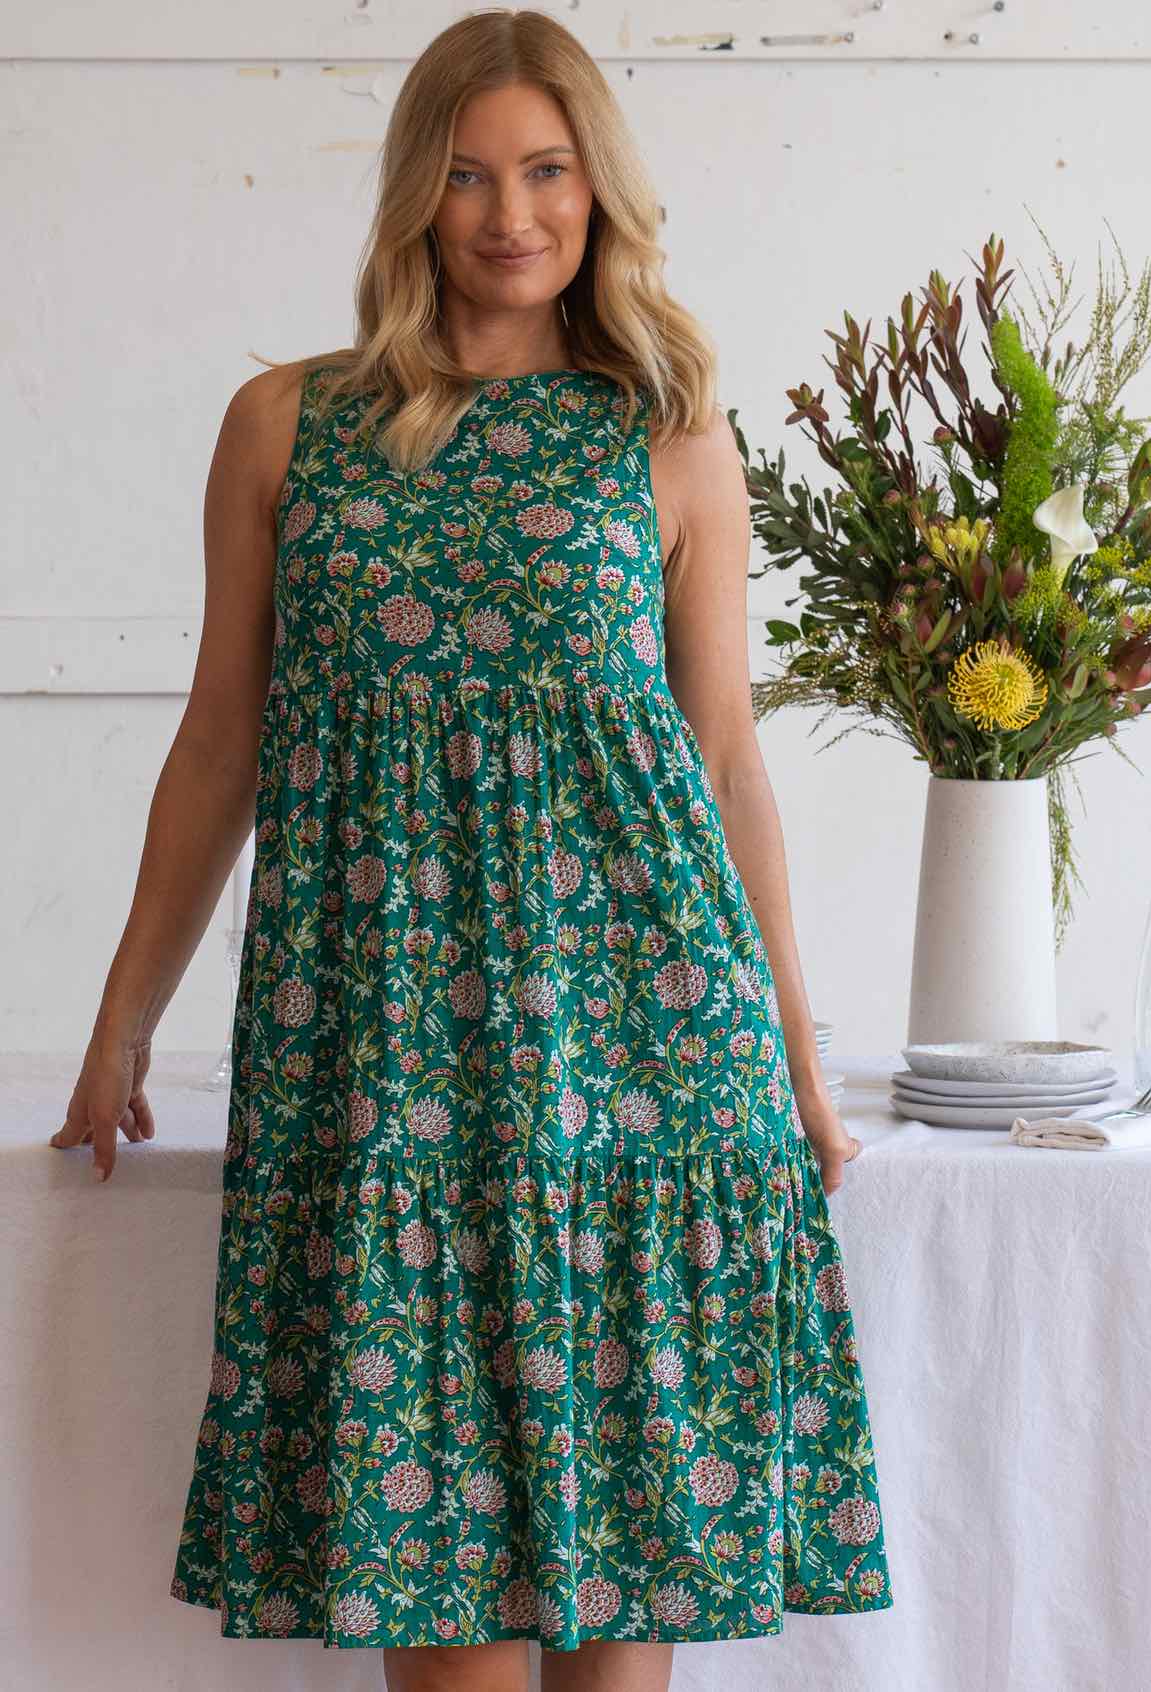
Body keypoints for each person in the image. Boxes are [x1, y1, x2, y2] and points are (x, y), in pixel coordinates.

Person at [51, 10, 892, 1689]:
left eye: (548, 170)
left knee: (621, 1621)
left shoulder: (667, 428)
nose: (512, 215)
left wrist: (798, 1053)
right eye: (466, 176)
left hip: (639, 1067)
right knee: (442, 1646)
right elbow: (223, 739)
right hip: (385, 1073)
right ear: (412, 199)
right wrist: (123, 1015)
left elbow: (724, 757)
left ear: (599, 186)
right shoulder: (287, 426)